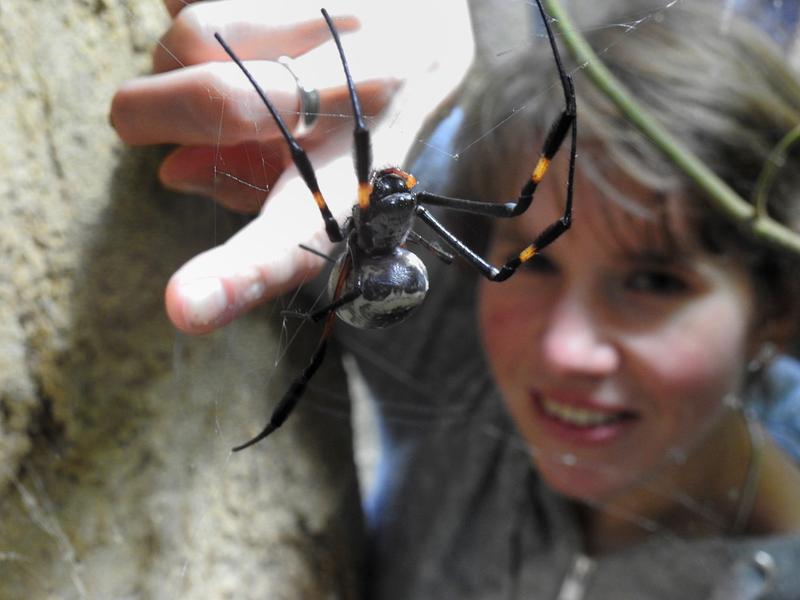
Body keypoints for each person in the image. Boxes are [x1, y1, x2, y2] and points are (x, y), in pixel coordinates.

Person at [110, 0, 800, 598]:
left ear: (779, 309)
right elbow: (350, 141)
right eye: (540, 266)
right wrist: (408, 39)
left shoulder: (482, 357)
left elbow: (528, 205)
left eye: (655, 282)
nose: (567, 349)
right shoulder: (466, 345)